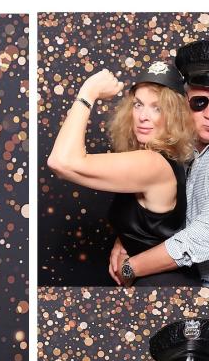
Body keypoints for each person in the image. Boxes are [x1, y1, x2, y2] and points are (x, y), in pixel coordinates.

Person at [110, 40, 209, 287]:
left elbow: (204, 238)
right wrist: (126, 239)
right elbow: (159, 211)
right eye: (200, 102)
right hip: (185, 278)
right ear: (183, 100)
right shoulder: (177, 141)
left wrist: (130, 267)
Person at [47, 61, 198, 285]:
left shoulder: (152, 163)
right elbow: (150, 227)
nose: (143, 116)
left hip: (163, 285)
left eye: (157, 108)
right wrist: (124, 240)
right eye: (138, 104)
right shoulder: (157, 158)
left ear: (174, 116)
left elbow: (61, 161)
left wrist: (87, 93)